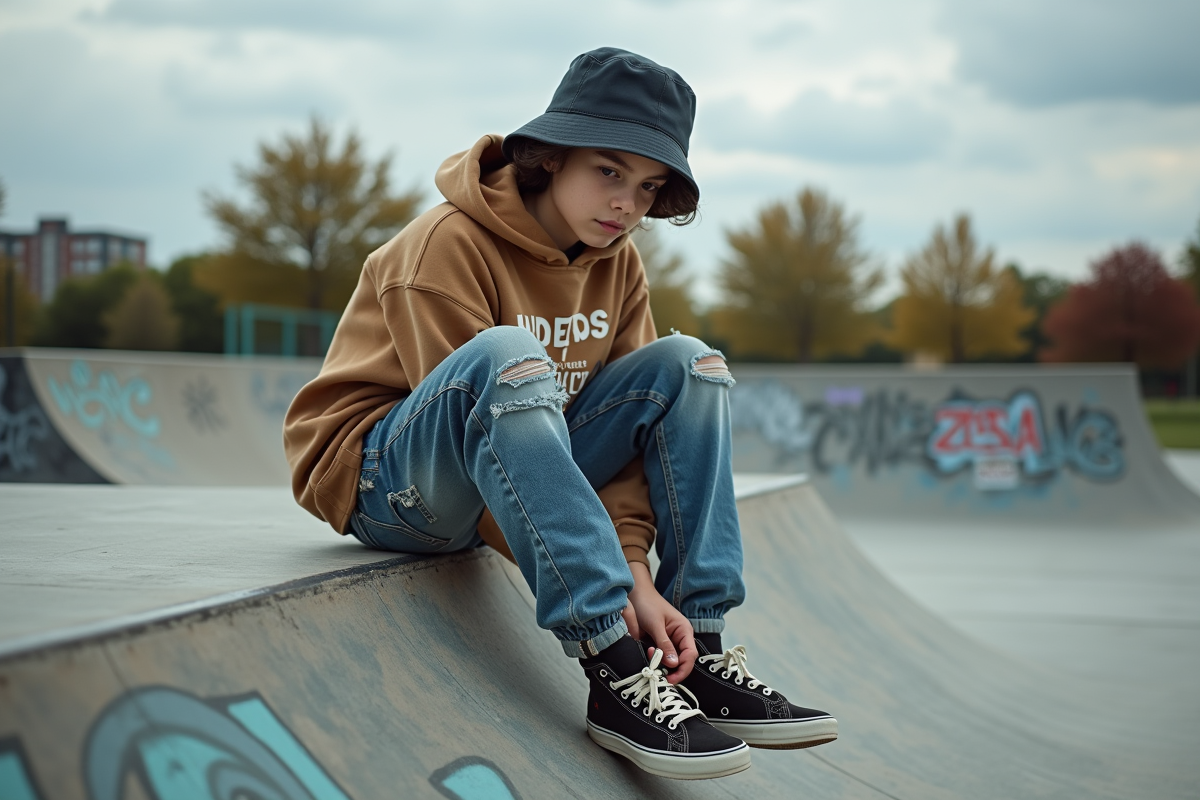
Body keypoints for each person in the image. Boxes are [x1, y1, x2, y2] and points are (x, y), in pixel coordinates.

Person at [283, 47, 837, 781]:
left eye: (648, 187)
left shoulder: (617, 260)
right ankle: (612, 668)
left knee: (691, 365)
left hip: (526, 458)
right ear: (550, 158)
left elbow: (637, 446)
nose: (627, 206)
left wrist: (639, 570)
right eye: (608, 172)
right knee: (505, 356)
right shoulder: (443, 248)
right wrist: (623, 599)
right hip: (389, 483)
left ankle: (696, 650)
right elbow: (486, 459)